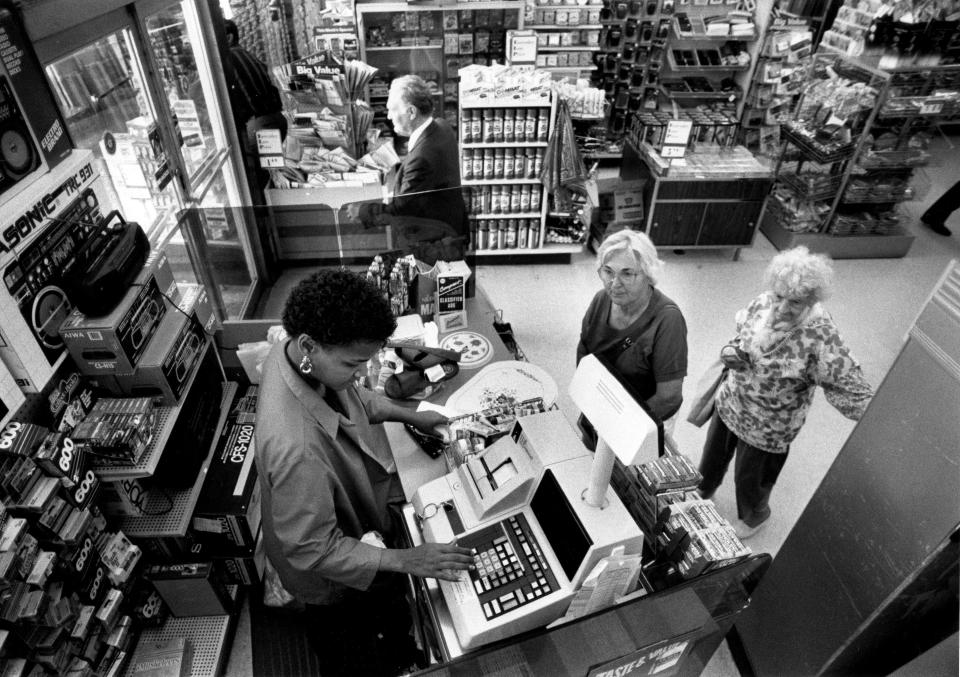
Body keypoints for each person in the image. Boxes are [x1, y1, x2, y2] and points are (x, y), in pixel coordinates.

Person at [255, 269, 473, 676]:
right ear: (310, 346)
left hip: (325, 514)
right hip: (324, 576)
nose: (361, 373)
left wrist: (410, 414)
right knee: (350, 650)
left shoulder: (296, 354)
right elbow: (313, 549)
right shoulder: (296, 447)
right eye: (354, 363)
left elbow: (354, 396)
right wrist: (408, 559)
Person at [697, 246, 873, 539]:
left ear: (812, 299)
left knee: (751, 478)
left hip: (770, 425)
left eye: (794, 301)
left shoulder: (821, 336)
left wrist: (884, 421)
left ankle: (754, 518)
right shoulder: (765, 301)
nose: (780, 307)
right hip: (732, 403)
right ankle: (704, 489)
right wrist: (731, 350)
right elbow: (741, 333)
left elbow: (852, 389)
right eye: (779, 296)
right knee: (712, 457)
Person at [576, 229, 688, 446]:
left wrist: (620, 428)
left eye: (627, 274)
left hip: (642, 420)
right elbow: (585, 350)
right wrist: (590, 401)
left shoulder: (668, 321)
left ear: (648, 274)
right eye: (608, 271)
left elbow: (669, 397)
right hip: (603, 411)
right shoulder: (601, 300)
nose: (614, 284)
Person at [358, 75, 467, 239]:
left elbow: (402, 210)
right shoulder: (441, 126)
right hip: (450, 230)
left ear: (411, 112)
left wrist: (362, 211)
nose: (388, 116)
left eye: (392, 109)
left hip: (434, 243)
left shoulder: (422, 158)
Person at [222, 19, 287, 202]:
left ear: (229, 37)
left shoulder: (229, 60)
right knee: (272, 175)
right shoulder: (248, 55)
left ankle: (267, 220)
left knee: (259, 179)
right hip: (275, 120)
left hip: (260, 127)